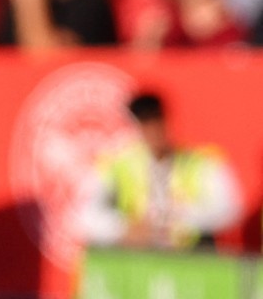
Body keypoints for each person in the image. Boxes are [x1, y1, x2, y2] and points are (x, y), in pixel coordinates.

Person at [80, 92, 243, 249]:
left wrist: (179, 219)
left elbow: (230, 209)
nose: (153, 130)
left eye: (156, 121)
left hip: (188, 259)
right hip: (136, 260)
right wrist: (124, 228)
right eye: (145, 123)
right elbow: (85, 216)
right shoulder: (115, 165)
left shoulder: (201, 162)